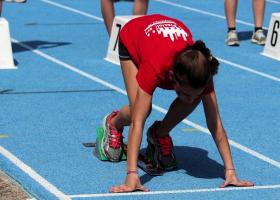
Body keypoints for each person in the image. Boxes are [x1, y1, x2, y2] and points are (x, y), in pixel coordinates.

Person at [102, 14, 255, 192]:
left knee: (197, 98)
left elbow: (215, 124)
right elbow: (138, 122)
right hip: (133, 36)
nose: (190, 100)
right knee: (141, 109)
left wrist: (230, 171)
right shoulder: (155, 66)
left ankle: (158, 134)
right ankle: (113, 122)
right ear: (173, 79)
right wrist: (131, 175)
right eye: (184, 93)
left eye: (193, 95)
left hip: (163, 37)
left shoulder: (202, 72)